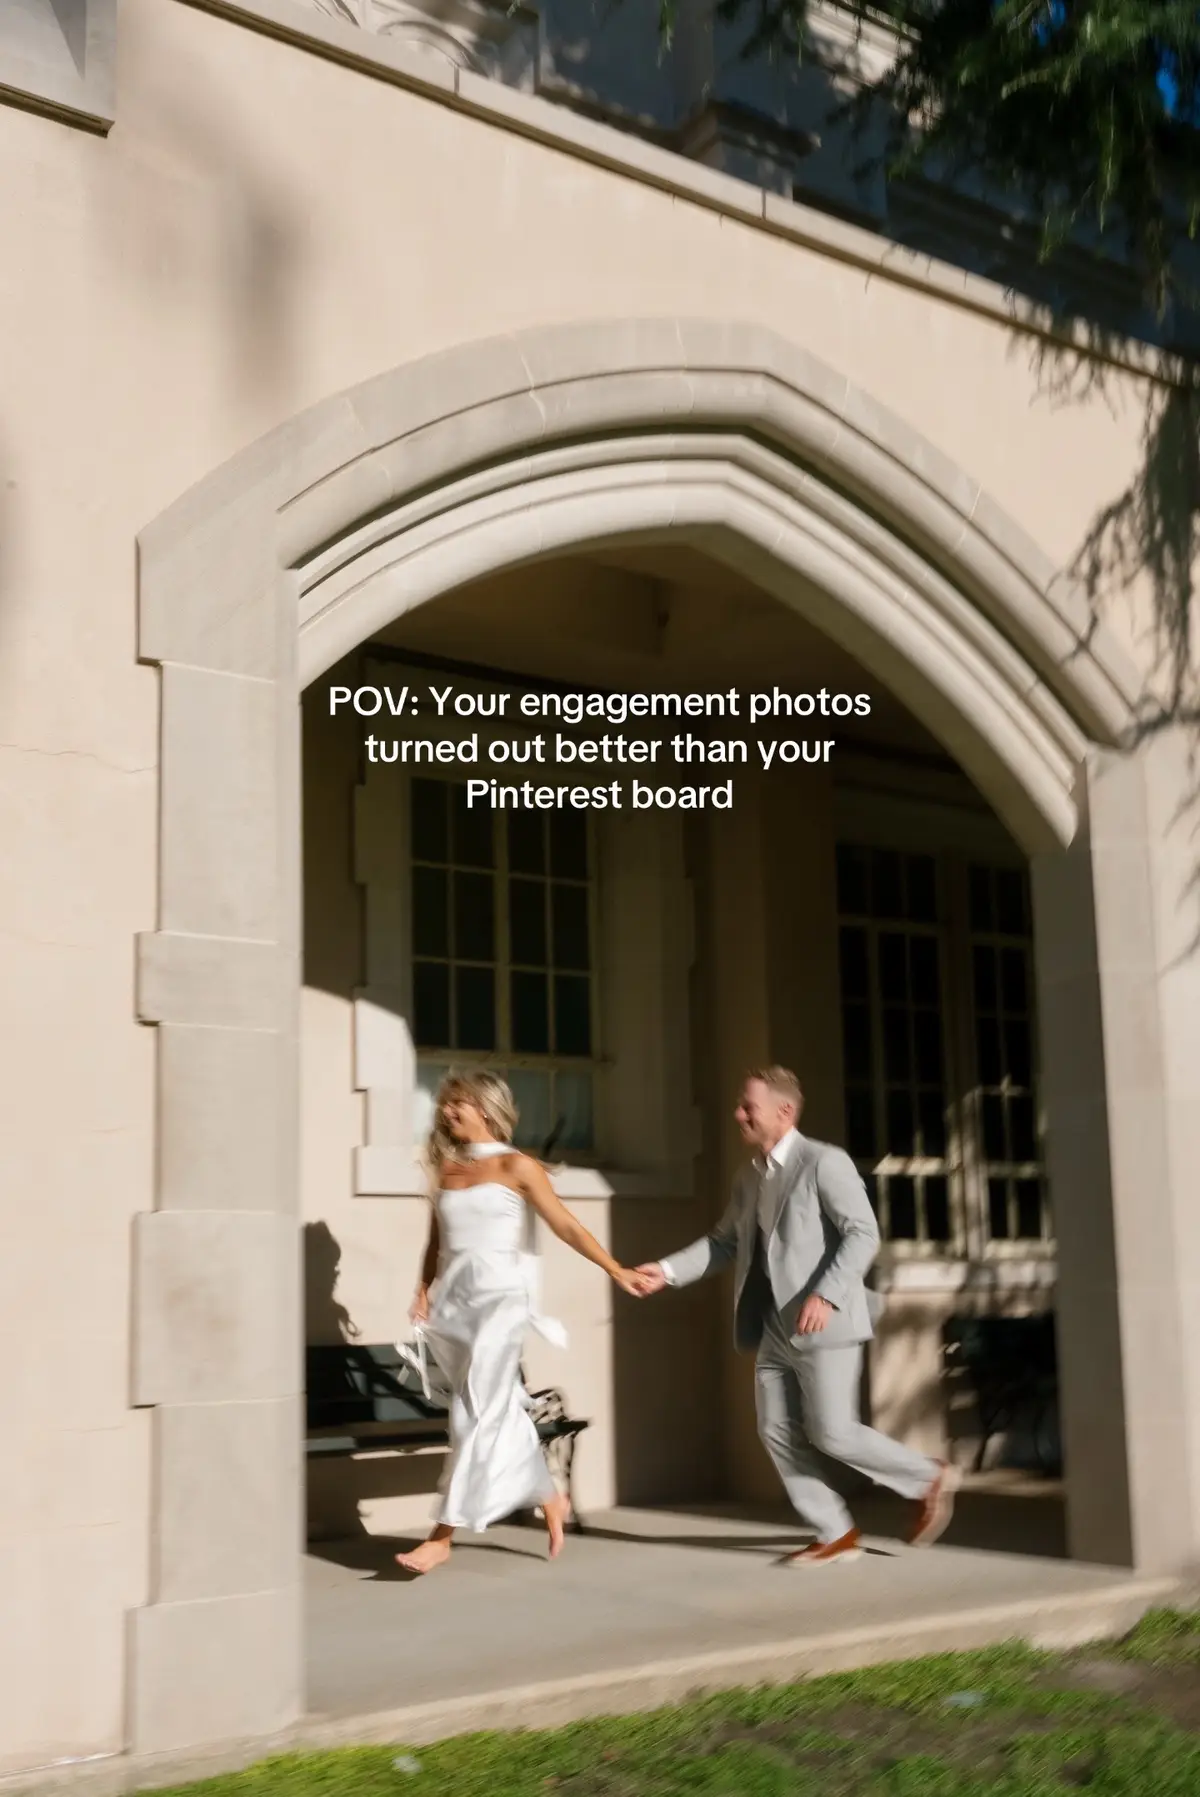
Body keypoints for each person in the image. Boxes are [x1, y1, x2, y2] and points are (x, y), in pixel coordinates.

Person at [633, 1066, 960, 1565]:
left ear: (784, 1112)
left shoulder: (823, 1163)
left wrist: (825, 1295)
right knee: (776, 1430)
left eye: (749, 1107)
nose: (738, 1114)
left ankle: (926, 1477)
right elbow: (725, 1242)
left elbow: (862, 1234)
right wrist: (667, 1271)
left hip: (824, 1321)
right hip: (774, 1326)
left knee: (832, 1431)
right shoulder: (749, 1176)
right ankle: (835, 1530)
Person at [397, 1069, 643, 1575]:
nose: (447, 1112)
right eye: (445, 1105)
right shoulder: (447, 1171)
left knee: (477, 1416)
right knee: (490, 1409)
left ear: (484, 1108)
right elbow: (436, 1243)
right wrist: (423, 1289)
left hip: (502, 1302)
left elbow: (567, 1225)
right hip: (457, 1308)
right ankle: (548, 1493)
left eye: (456, 1103)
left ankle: (441, 1536)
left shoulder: (518, 1166)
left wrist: (615, 1267)